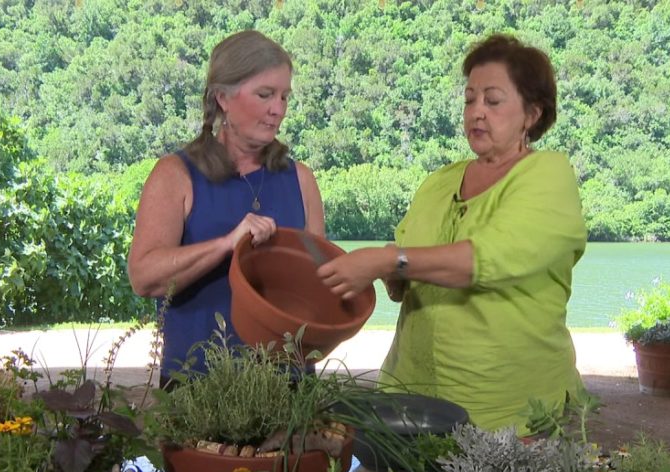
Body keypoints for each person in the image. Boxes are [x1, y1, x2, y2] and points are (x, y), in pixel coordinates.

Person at [316, 34, 586, 432]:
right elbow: (405, 272)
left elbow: (485, 258)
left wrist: (388, 260)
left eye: (492, 101)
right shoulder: (440, 182)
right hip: (414, 398)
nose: (477, 112)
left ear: (531, 113)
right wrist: (391, 274)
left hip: (507, 409)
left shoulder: (548, 175)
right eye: (469, 99)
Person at [128, 31, 325, 384]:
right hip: (197, 389)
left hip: (289, 387)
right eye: (265, 94)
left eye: (284, 96)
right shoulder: (175, 174)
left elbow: (316, 286)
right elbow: (143, 277)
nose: (277, 109)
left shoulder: (302, 179)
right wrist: (226, 245)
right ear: (223, 98)